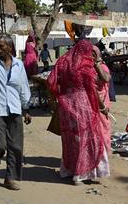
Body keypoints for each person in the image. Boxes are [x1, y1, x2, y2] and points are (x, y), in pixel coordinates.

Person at [47, 22, 110, 185]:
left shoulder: (64, 61)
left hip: (66, 105)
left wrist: (58, 97)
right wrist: (102, 107)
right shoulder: (84, 64)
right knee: (86, 138)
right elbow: (92, 88)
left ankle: (69, 170)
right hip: (82, 105)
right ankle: (80, 174)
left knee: (70, 139)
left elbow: (51, 80)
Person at [0, 34, 32, 190]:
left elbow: (23, 86)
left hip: (14, 108)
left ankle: (10, 178)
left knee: (15, 146)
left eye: (1, 46)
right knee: (0, 145)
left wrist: (26, 108)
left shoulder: (18, 64)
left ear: (10, 47)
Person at [93, 45, 112, 154]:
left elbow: (106, 78)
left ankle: (103, 152)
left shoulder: (102, 67)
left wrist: (97, 66)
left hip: (102, 101)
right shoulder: (85, 68)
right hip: (92, 103)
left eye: (94, 54)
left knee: (104, 127)